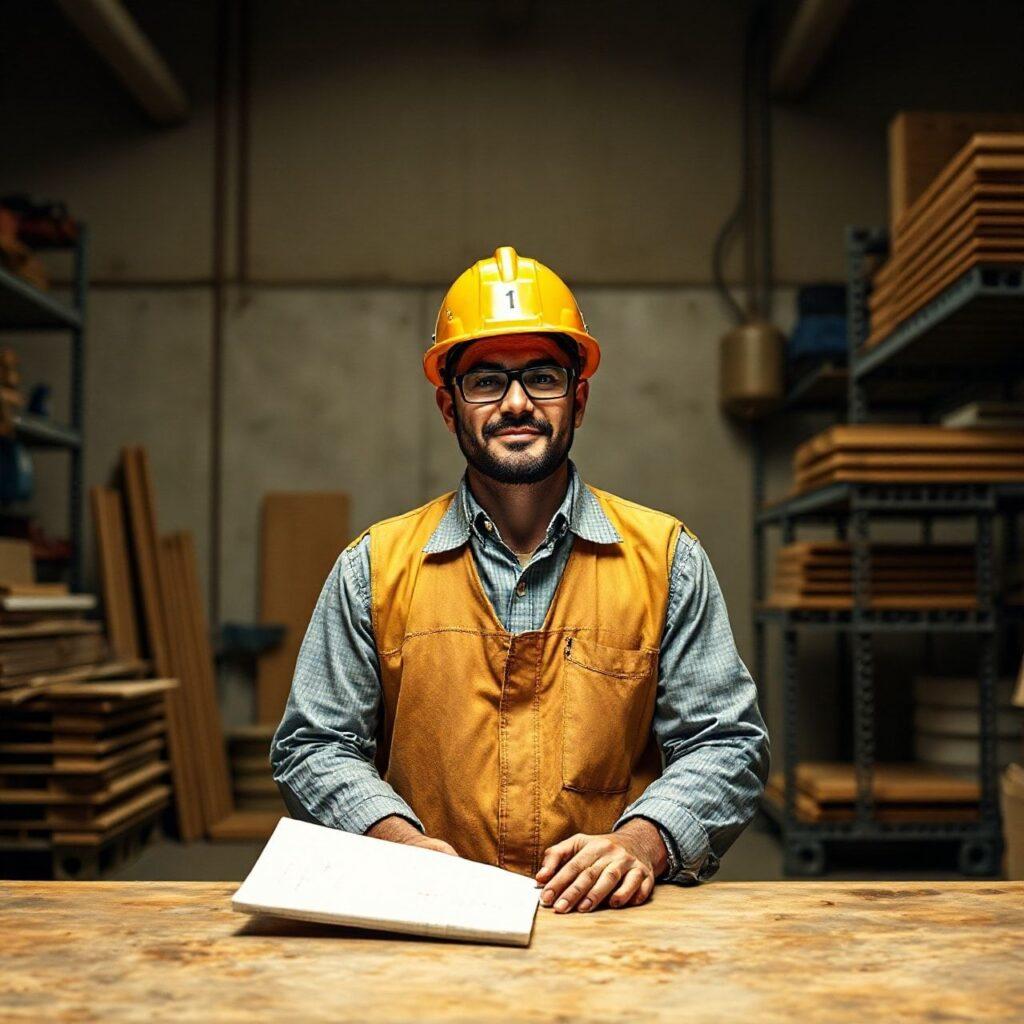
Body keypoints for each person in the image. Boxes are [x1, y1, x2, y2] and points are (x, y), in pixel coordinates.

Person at [271, 245, 769, 914]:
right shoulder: (374, 569)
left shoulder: (666, 561)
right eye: (485, 381)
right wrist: (397, 843)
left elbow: (725, 742)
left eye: (541, 377)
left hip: (611, 928)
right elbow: (314, 745)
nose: (516, 403)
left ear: (578, 399)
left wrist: (642, 842)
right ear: (449, 407)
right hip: (428, 919)